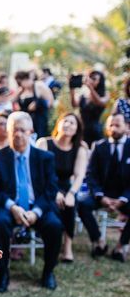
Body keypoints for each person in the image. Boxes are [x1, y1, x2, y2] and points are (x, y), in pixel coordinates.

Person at [0, 111, 63, 292]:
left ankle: (48, 272)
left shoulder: (45, 158)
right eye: (14, 130)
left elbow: (51, 189)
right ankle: (3, 273)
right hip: (10, 206)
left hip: (37, 207)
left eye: (23, 130)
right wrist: (13, 207)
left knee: (55, 225)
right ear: (8, 131)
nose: (18, 134)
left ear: (31, 132)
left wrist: (36, 212)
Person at [77, 114, 130, 262]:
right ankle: (99, 240)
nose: (113, 128)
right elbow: (91, 174)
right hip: (102, 194)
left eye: (117, 125)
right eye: (110, 125)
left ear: (126, 127)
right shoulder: (99, 146)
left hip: (124, 195)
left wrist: (124, 199)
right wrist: (100, 195)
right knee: (82, 205)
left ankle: (121, 245)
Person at [36, 113, 88, 263]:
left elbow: (79, 176)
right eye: (65, 121)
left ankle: (67, 246)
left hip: (67, 186)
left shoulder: (80, 149)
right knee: (53, 204)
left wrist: (71, 193)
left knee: (70, 204)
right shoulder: (44, 143)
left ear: (77, 129)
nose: (68, 125)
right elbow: (39, 173)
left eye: (73, 123)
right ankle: (51, 238)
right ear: (58, 123)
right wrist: (54, 192)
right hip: (45, 185)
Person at [70, 70, 109, 145]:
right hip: (81, 130)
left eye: (94, 79)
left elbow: (100, 102)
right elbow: (74, 105)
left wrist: (90, 87)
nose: (91, 80)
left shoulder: (105, 94)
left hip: (95, 131)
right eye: (90, 77)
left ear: (100, 82)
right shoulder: (83, 95)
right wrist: (72, 88)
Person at [13, 70, 54, 138]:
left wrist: (38, 104)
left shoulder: (39, 86)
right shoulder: (21, 90)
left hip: (39, 121)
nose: (20, 84)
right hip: (25, 122)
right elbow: (12, 100)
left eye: (21, 82)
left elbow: (50, 102)